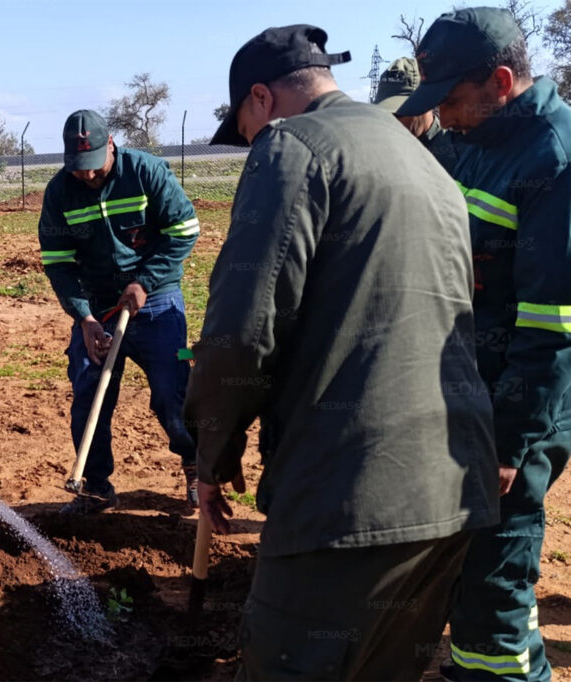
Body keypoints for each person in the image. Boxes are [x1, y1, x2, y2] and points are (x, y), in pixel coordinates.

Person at [184, 24, 500, 679]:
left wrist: (211, 455)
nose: (249, 142)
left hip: (350, 503)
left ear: (262, 99)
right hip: (451, 495)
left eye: (243, 127)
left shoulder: (292, 146)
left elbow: (242, 332)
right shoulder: (424, 161)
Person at [397, 8, 571, 681]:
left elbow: (554, 326)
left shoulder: (554, 156)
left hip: (516, 405)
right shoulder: (472, 138)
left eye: (450, 100)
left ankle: (501, 673)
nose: (441, 115)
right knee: (460, 559)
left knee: (494, 576)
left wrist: (510, 440)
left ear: (501, 80)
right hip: (465, 389)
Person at [38, 109, 200, 514]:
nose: (88, 176)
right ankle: (95, 485)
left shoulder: (146, 172)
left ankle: (196, 463)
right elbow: (58, 261)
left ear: (110, 144)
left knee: (172, 386)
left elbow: (184, 230)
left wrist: (145, 281)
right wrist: (84, 318)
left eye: (93, 166)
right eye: (78, 169)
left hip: (157, 300)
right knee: (89, 392)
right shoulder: (60, 192)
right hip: (97, 308)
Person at [373, 56, 459, 172]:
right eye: (386, 115)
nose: (393, 122)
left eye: (399, 113)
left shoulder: (458, 152)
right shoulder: (381, 152)